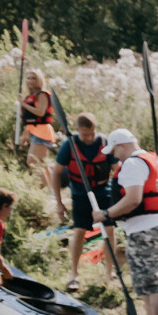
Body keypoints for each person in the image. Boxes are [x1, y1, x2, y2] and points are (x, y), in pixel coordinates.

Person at [95, 128, 158, 315]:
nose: (114, 157)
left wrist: (106, 214)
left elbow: (133, 199)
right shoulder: (151, 159)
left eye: (115, 151)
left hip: (145, 228)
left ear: (122, 146)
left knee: (152, 282)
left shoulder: (131, 164)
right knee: (148, 280)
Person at [52, 112, 116, 294]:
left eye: (91, 134)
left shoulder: (104, 142)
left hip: (103, 191)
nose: (88, 138)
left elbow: (117, 169)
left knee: (109, 230)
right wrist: (59, 203)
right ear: (77, 130)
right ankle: (74, 274)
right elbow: (56, 173)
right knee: (79, 231)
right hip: (80, 193)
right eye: (84, 134)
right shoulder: (69, 144)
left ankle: (110, 272)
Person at [19, 69, 57, 178]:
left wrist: (23, 104)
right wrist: (25, 134)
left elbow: (41, 112)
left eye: (34, 78)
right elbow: (30, 119)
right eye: (28, 78)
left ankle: (44, 186)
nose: (31, 80)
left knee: (32, 162)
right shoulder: (30, 96)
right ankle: (51, 187)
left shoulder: (42, 95)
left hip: (43, 132)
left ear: (39, 80)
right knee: (43, 165)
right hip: (35, 132)